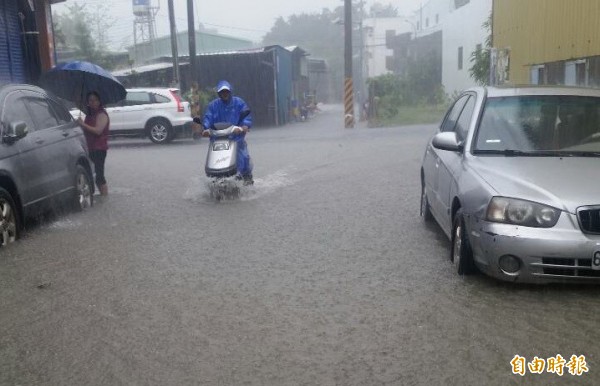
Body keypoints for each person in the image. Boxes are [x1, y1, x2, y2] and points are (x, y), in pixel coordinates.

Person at [200, 80, 254, 185]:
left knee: (243, 159)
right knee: (214, 161)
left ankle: (247, 178)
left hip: (235, 138)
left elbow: (246, 116)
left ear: (230, 92)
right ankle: (215, 179)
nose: (224, 94)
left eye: (226, 92)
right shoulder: (213, 106)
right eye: (222, 92)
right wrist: (204, 129)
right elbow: (208, 118)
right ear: (218, 93)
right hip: (217, 140)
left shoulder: (239, 103)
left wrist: (244, 126)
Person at [77, 91, 110, 196]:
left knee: (99, 177)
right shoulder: (90, 114)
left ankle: (105, 199)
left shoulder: (102, 114)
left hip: (99, 149)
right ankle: (102, 198)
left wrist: (83, 125)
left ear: (99, 101)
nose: (92, 102)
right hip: (90, 148)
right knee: (93, 175)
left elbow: (98, 131)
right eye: (90, 100)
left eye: (95, 100)